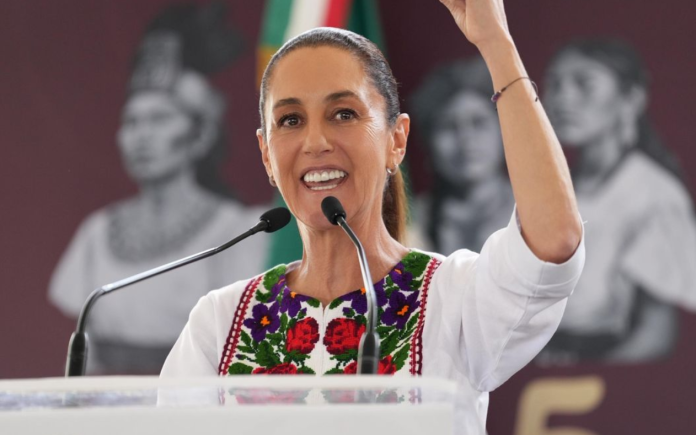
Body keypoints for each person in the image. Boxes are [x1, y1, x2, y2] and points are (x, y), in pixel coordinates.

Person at [161, 0, 585, 432]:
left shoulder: (454, 298)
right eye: (290, 120)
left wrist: (495, 42)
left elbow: (552, 241)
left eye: (343, 114)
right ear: (267, 155)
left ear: (396, 140)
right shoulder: (219, 323)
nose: (315, 141)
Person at [48, 3, 267, 374]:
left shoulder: (238, 232)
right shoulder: (96, 233)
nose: (142, 136)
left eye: (159, 119)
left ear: (200, 136)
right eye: (132, 122)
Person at [539, 39, 696, 364]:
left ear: (631, 99)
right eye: (555, 84)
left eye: (584, 84)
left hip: (597, 370)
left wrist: (584, 379)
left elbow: (655, 331)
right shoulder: (546, 185)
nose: (563, 98)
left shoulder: (655, 195)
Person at [411, 56, 514, 254]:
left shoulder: (533, 210)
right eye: (449, 127)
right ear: (428, 140)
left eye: (478, 122)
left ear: (503, 131)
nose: (466, 140)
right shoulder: (408, 222)